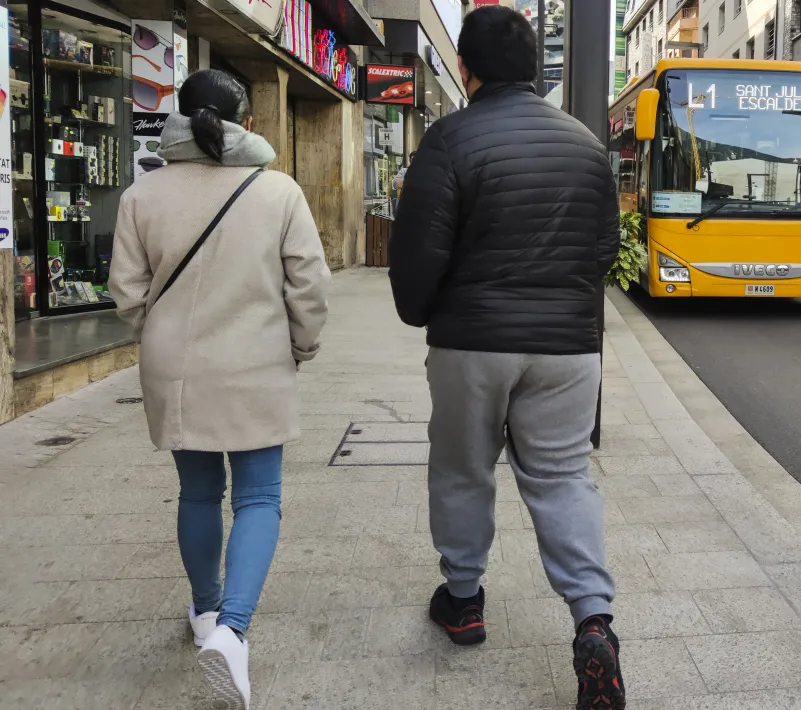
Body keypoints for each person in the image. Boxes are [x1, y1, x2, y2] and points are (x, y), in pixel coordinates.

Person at [388, 6, 624, 709]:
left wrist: (425, 312)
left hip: (472, 342)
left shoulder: (448, 138)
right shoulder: (586, 146)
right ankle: (593, 623)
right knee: (562, 478)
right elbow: (604, 251)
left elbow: (417, 256)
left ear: (465, 68)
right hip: (567, 349)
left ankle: (463, 600)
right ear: (536, 69)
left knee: (463, 471)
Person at [109, 69, 330, 709]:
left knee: (199, 493)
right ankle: (233, 631)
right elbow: (309, 288)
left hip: (174, 369)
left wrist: (164, 332)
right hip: (259, 363)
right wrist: (302, 346)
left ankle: (206, 613)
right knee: (260, 498)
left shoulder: (142, 195)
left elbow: (126, 292)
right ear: (246, 123)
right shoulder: (278, 192)